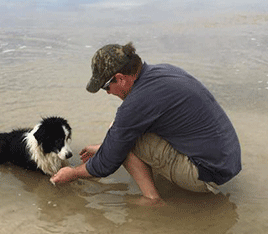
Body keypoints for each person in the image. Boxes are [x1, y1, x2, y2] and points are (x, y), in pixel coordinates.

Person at [50, 42, 241, 202]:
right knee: (121, 133)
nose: (108, 92)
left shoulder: (137, 103)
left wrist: (73, 172)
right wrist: (105, 147)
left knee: (121, 136)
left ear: (120, 79)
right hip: (225, 161)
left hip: (206, 174)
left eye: (106, 87)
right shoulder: (162, 71)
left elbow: (105, 166)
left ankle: (152, 198)